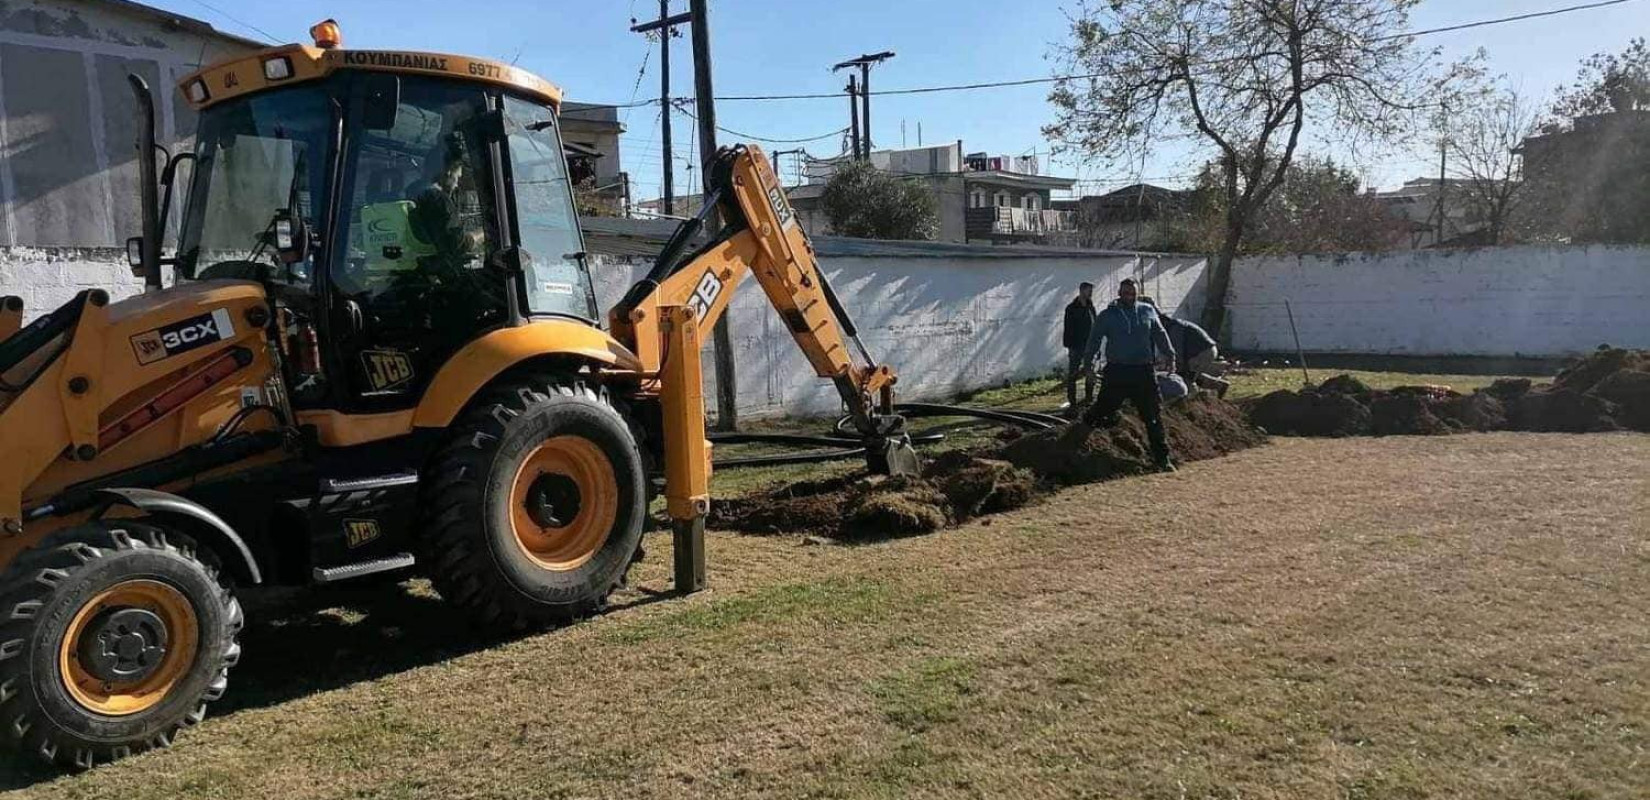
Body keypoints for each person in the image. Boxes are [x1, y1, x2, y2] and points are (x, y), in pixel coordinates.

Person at [1073, 278, 1177, 471]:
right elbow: (1094, 341)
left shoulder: (1147, 311)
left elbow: (1160, 334)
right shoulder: (1108, 316)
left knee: (1153, 416)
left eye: (1133, 293)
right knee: (1102, 409)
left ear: (1137, 294)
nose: (1129, 296)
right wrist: (1088, 366)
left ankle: (1163, 459)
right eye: (1126, 293)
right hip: (1117, 372)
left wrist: (1170, 355)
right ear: (1119, 294)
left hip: (1144, 371)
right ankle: (1076, 437)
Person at [1158, 313, 1230, 398]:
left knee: (1186, 377)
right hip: (1204, 351)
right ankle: (1220, 385)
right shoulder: (1175, 325)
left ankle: (1191, 399)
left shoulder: (1175, 329)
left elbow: (1178, 352)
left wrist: (1173, 366)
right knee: (1192, 374)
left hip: (1202, 353)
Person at [1061, 282, 1097, 410]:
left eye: (1091, 291)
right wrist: (1070, 345)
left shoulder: (1090, 306)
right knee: (1073, 374)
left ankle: (1089, 398)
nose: (1091, 293)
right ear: (1082, 291)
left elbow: (1096, 324)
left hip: (1090, 346)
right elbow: (1068, 328)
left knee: (1090, 372)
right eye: (1089, 290)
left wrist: (1096, 342)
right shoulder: (1071, 308)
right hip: (1076, 345)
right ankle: (1072, 401)